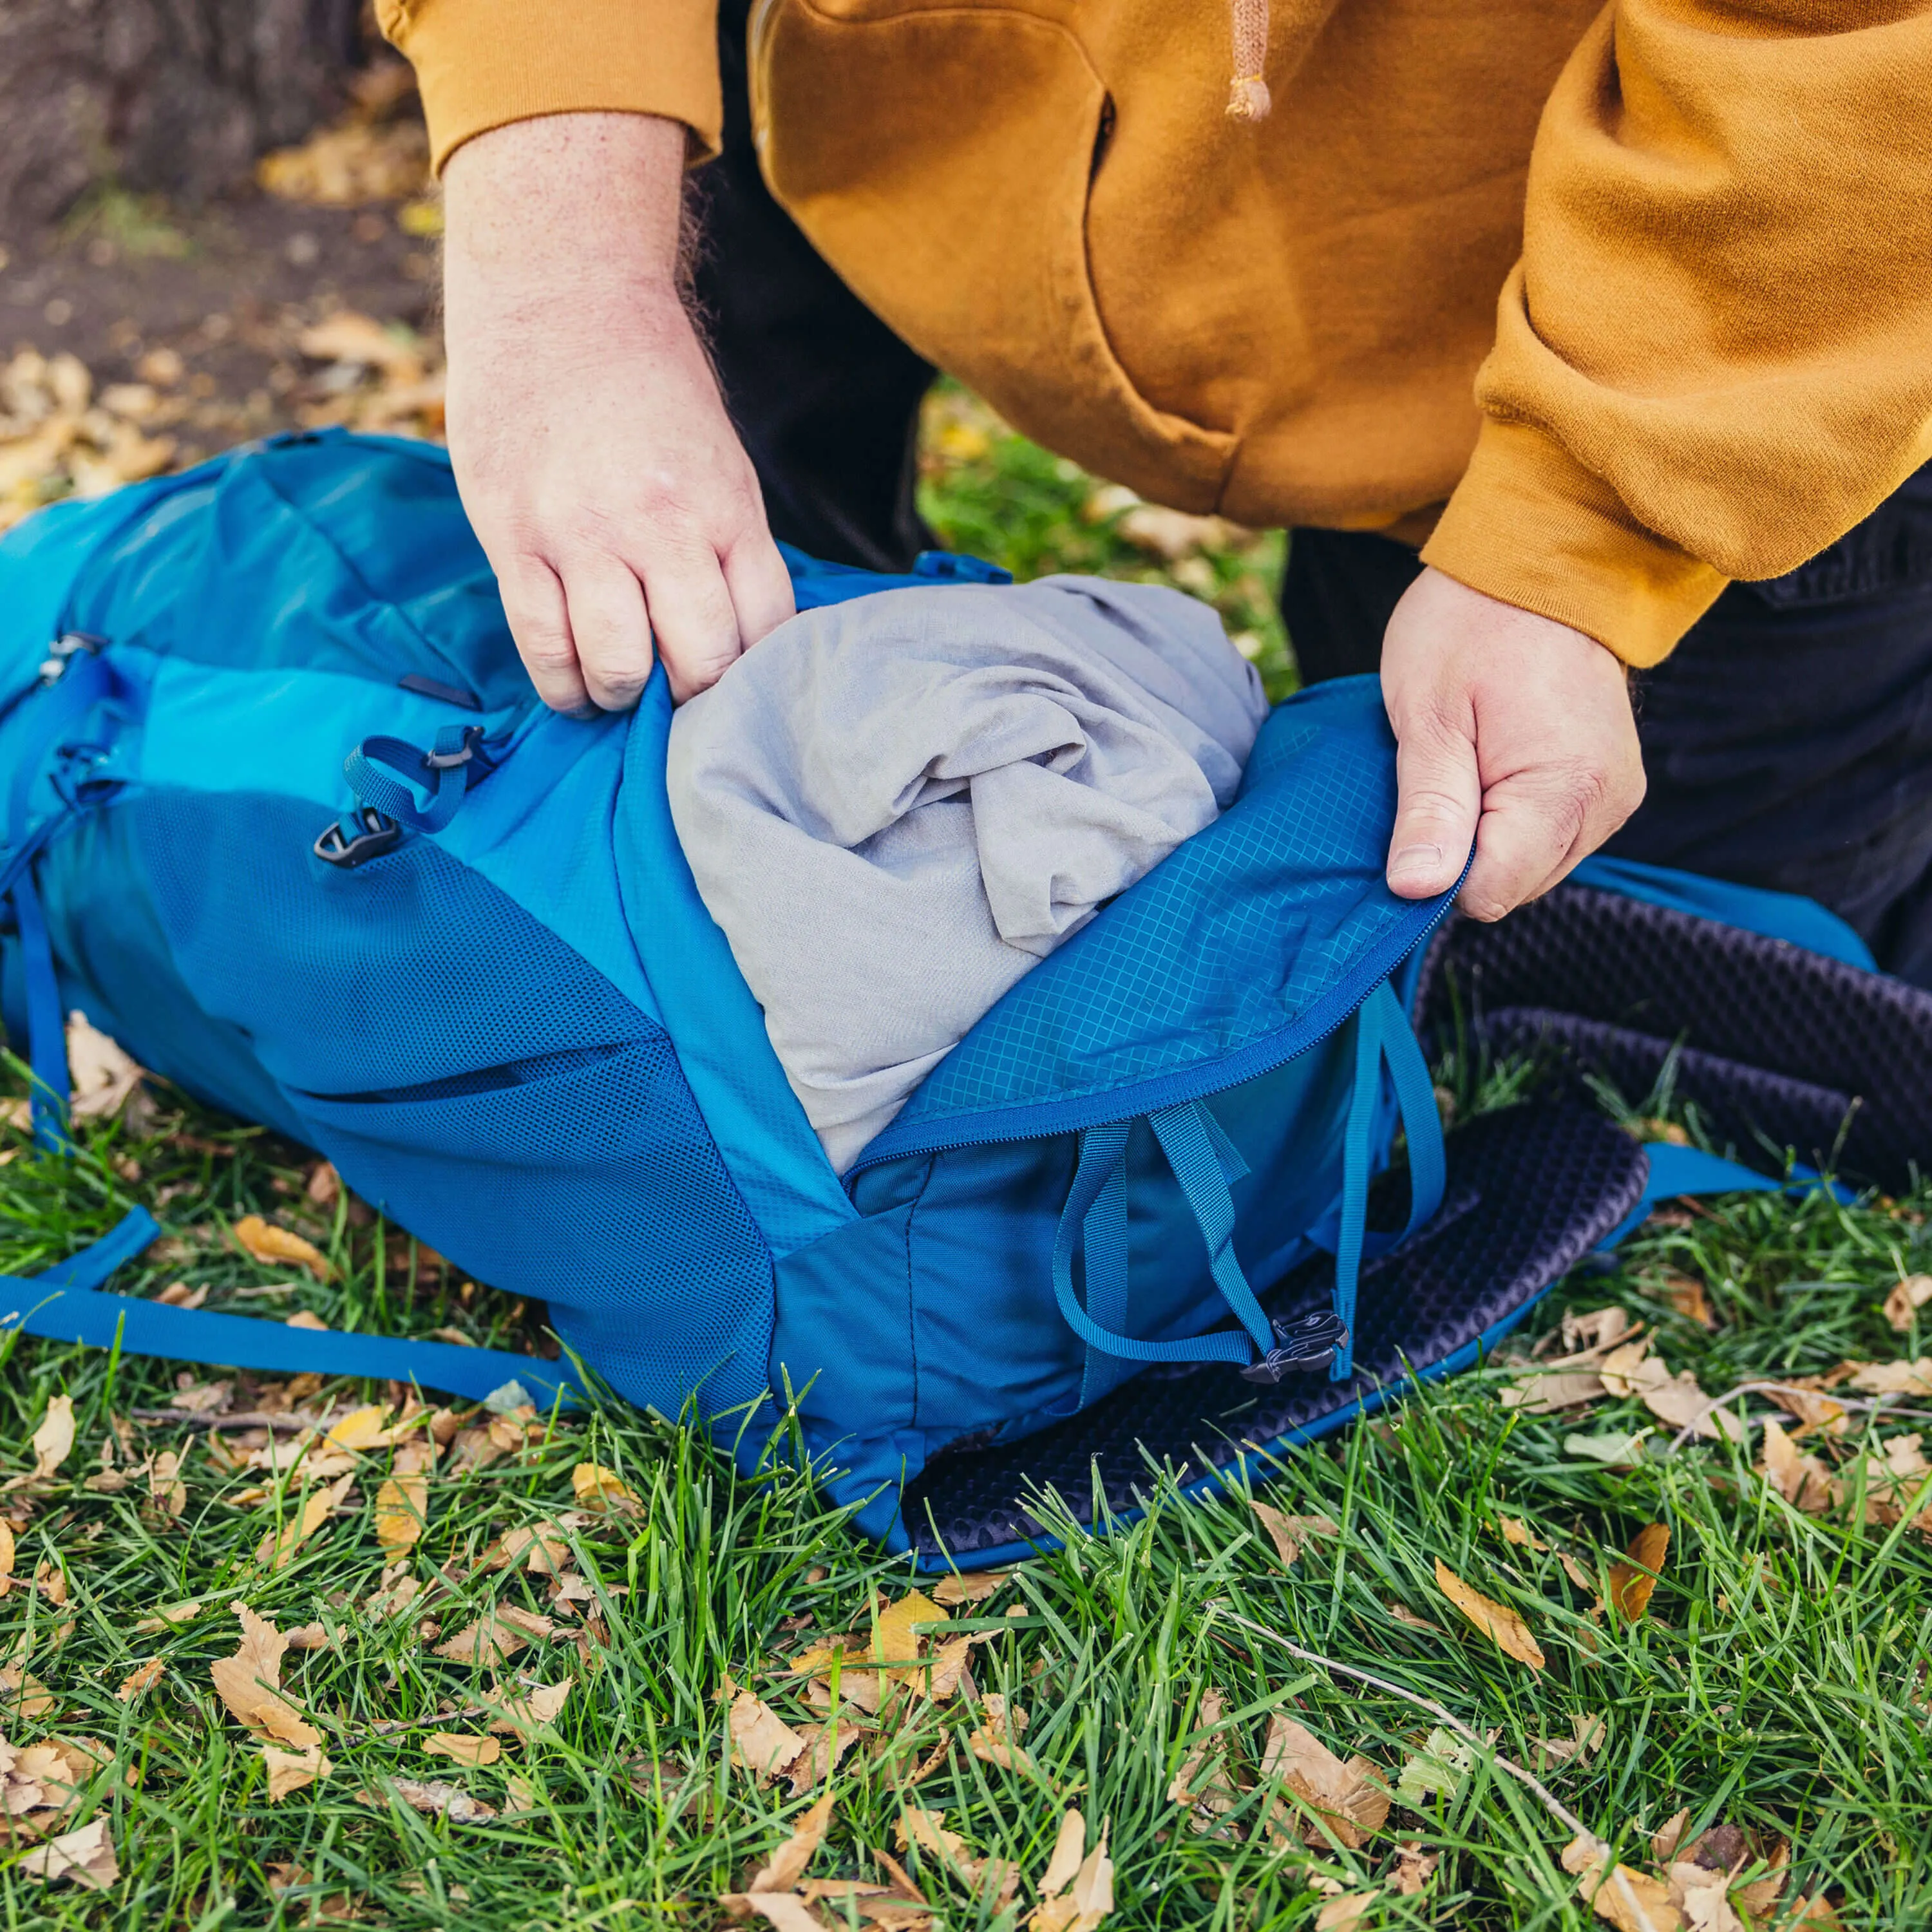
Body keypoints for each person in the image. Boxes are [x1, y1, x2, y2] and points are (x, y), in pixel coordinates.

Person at [377, 0, 1932, 975]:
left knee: (1669, 992)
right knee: (654, 775)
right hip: (860, 115)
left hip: (1695, 282)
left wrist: (1579, 538)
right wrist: (569, 283)